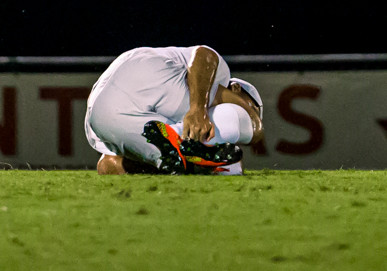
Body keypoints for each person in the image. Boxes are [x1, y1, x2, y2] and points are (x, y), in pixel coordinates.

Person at [86, 44, 263, 175]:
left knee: (180, 162)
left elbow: (108, 166)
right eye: (252, 106)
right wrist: (198, 108)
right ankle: (184, 140)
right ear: (237, 89)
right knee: (252, 127)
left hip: (99, 115)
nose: (253, 112)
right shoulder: (220, 76)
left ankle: (180, 145)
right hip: (145, 71)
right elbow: (205, 54)